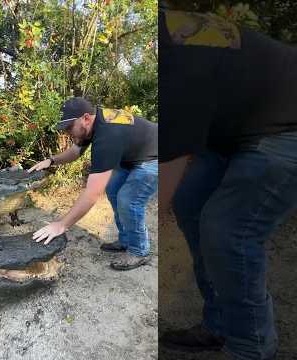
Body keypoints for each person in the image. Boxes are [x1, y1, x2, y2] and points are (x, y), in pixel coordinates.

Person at [158, 6, 297, 360]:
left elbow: (172, 160)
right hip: (233, 131)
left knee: (227, 230)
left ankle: (252, 349)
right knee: (190, 201)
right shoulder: (167, 38)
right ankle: (219, 323)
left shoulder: (176, 53)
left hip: (287, 126)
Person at [27, 97, 158, 271]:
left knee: (128, 200)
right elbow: (76, 151)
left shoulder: (107, 136)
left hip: (156, 157)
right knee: (113, 189)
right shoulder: (93, 124)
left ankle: (139, 250)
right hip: (133, 156)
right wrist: (51, 161)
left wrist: (61, 225)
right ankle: (126, 239)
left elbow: (92, 193)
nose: (66, 133)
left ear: (86, 118)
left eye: (68, 127)